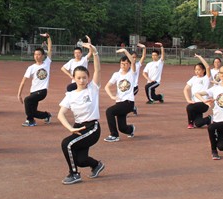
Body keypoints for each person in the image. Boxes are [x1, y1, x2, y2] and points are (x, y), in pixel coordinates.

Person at [57, 43, 104, 185]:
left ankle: (74, 174)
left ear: (88, 78)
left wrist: (94, 53)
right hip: (78, 128)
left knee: (66, 144)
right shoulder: (70, 95)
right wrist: (70, 129)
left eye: (84, 77)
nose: (82, 80)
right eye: (79, 78)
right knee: (81, 160)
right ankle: (96, 165)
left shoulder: (92, 89)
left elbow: (98, 70)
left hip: (92, 128)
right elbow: (60, 114)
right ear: (74, 78)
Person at [17, 33, 53, 126]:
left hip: (42, 91)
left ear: (43, 56)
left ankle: (30, 120)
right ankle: (46, 115)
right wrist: (19, 94)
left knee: (27, 100)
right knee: (32, 111)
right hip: (33, 91)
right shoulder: (31, 67)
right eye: (35, 54)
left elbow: (50, 49)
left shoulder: (47, 63)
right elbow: (23, 81)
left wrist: (48, 38)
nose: (37, 56)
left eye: (39, 54)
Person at [103, 48, 137, 141]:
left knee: (109, 111)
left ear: (129, 64)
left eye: (126, 64)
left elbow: (133, 62)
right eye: (122, 63)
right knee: (122, 128)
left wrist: (125, 51)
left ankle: (114, 135)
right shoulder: (116, 74)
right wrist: (112, 96)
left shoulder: (132, 73)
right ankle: (130, 129)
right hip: (119, 102)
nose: (124, 65)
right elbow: (107, 86)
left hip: (128, 102)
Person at [183, 54, 212, 129]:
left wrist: (200, 57)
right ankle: (208, 119)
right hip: (195, 103)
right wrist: (188, 100)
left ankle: (190, 123)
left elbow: (208, 67)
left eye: (199, 69)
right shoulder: (193, 78)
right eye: (195, 70)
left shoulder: (206, 78)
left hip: (203, 103)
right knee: (198, 124)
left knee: (189, 107)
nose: (197, 71)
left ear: (203, 70)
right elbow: (185, 89)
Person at [130, 43, 146, 115]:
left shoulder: (137, 65)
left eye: (135, 57)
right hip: (128, 86)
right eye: (132, 57)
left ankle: (128, 110)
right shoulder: (126, 65)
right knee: (128, 99)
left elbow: (143, 56)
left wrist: (144, 48)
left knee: (128, 98)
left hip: (134, 87)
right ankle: (133, 108)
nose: (134, 58)